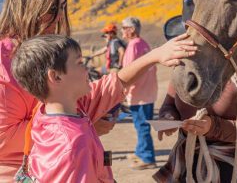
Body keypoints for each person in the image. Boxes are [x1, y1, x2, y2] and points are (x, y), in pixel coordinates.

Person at [11, 34, 196, 182]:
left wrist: (155, 55)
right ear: (56, 77)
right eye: (79, 63)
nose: (87, 69)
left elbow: (116, 82)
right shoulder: (72, 144)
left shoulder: (48, 113)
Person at [153, 0, 237, 182]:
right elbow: (170, 103)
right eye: (188, 32)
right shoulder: (184, 64)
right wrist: (168, 117)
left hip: (236, 170)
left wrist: (213, 128)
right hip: (188, 163)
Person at [0, 0, 70, 180]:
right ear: (27, 4)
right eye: (52, 9)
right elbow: (5, 137)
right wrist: (74, 124)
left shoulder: (44, 52)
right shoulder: (5, 57)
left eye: (63, 7)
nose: (59, 16)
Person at [119, 17, 158, 169]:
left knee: (142, 126)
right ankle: (141, 151)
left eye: (123, 27)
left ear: (131, 30)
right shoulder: (143, 44)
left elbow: (129, 74)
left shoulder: (133, 46)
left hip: (139, 94)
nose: (121, 30)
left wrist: (122, 92)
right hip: (148, 91)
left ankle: (147, 158)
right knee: (142, 125)